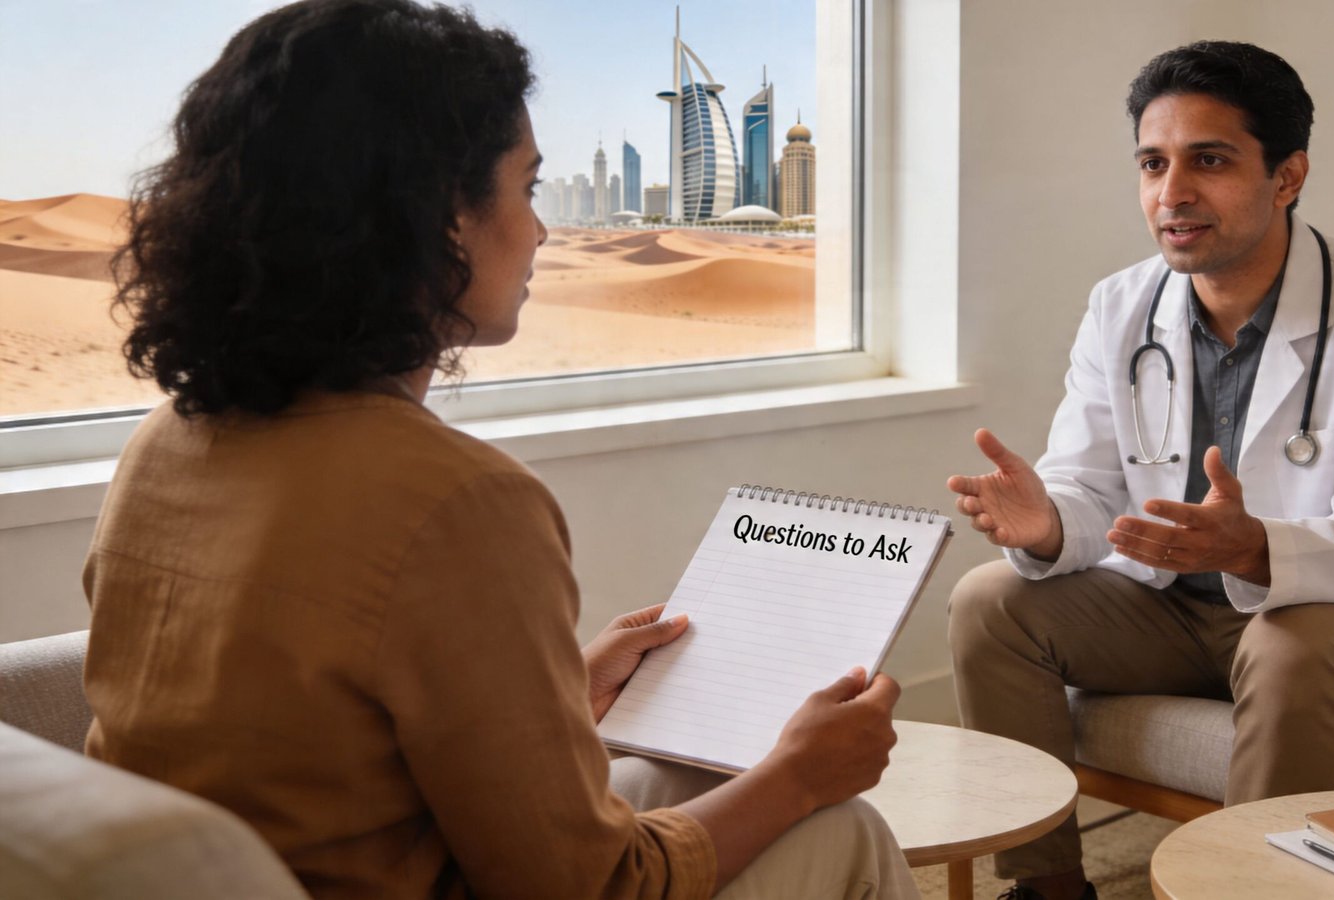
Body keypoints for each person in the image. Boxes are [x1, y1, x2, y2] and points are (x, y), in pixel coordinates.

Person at [82, 1, 918, 897]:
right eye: (526, 187)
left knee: (680, 779)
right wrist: (800, 777)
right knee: (841, 827)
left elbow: (318, 741)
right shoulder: (457, 503)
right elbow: (594, 888)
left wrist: (555, 692)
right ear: (441, 217)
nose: (542, 229)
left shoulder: (166, 444)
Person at [945, 41, 1334, 900]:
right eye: (1153, 163)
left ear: (1287, 176)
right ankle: (1046, 888)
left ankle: (1248, 891)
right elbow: (1086, 488)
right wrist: (1047, 525)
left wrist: (1254, 545)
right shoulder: (1120, 306)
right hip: (1163, 609)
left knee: (1289, 645)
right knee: (988, 603)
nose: (1172, 193)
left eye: (1210, 161)